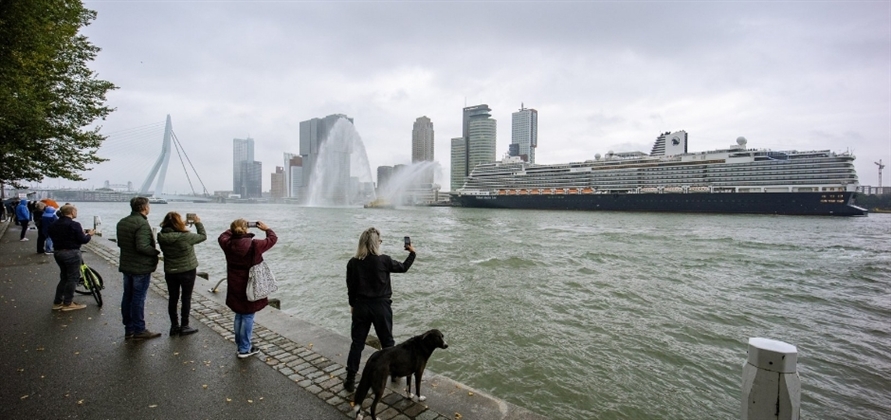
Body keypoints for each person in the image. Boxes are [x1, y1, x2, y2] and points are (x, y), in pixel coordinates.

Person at [343, 227, 417, 392]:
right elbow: (404, 268)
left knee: (357, 344)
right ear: (376, 244)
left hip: (361, 306)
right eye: (380, 241)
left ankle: (350, 379)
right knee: (388, 343)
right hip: (381, 307)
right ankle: (394, 374)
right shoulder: (384, 260)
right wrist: (412, 253)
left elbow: (351, 288)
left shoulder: (353, 263)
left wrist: (352, 305)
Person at [218, 219, 277, 359]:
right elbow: (273, 239)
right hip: (250, 285)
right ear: (245, 230)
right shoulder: (255, 245)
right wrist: (267, 228)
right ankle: (244, 349)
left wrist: (235, 227)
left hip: (234, 284)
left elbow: (222, 236)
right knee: (248, 315)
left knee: (239, 314)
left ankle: (241, 344)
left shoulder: (227, 243)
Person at [116, 196, 162, 340]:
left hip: (127, 264)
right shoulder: (141, 224)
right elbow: (142, 246)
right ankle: (139, 329)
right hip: (140, 267)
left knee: (127, 296)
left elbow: (120, 243)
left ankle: (129, 329)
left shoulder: (122, 222)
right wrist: (155, 252)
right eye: (149, 205)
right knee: (138, 298)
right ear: (144, 207)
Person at [157, 212, 207, 336]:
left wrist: (179, 225)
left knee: (173, 298)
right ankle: (185, 325)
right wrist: (197, 222)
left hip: (170, 271)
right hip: (187, 270)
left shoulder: (161, 236)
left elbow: (171, 232)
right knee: (186, 297)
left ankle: (174, 326)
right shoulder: (185, 236)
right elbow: (202, 236)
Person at [47, 205, 94, 311]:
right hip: (72, 253)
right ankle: (68, 303)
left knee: (64, 277)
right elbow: (83, 240)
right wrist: (89, 234)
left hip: (58, 252)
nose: (76, 213)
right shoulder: (74, 224)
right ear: (72, 212)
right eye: (75, 211)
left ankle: (57, 302)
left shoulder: (54, 224)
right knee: (73, 277)